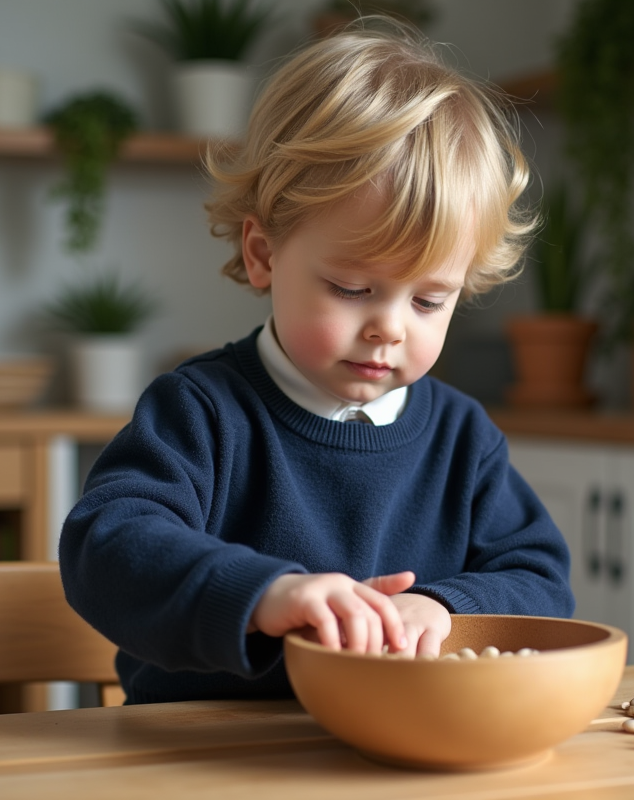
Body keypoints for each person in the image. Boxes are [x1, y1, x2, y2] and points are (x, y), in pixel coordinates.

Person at [59, 18, 574, 705]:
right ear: (263, 254)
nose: (388, 329)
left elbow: (543, 581)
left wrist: (447, 607)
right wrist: (267, 593)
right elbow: (107, 547)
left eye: (428, 301)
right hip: (202, 758)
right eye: (353, 289)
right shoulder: (202, 411)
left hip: (389, 754)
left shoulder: (463, 439)